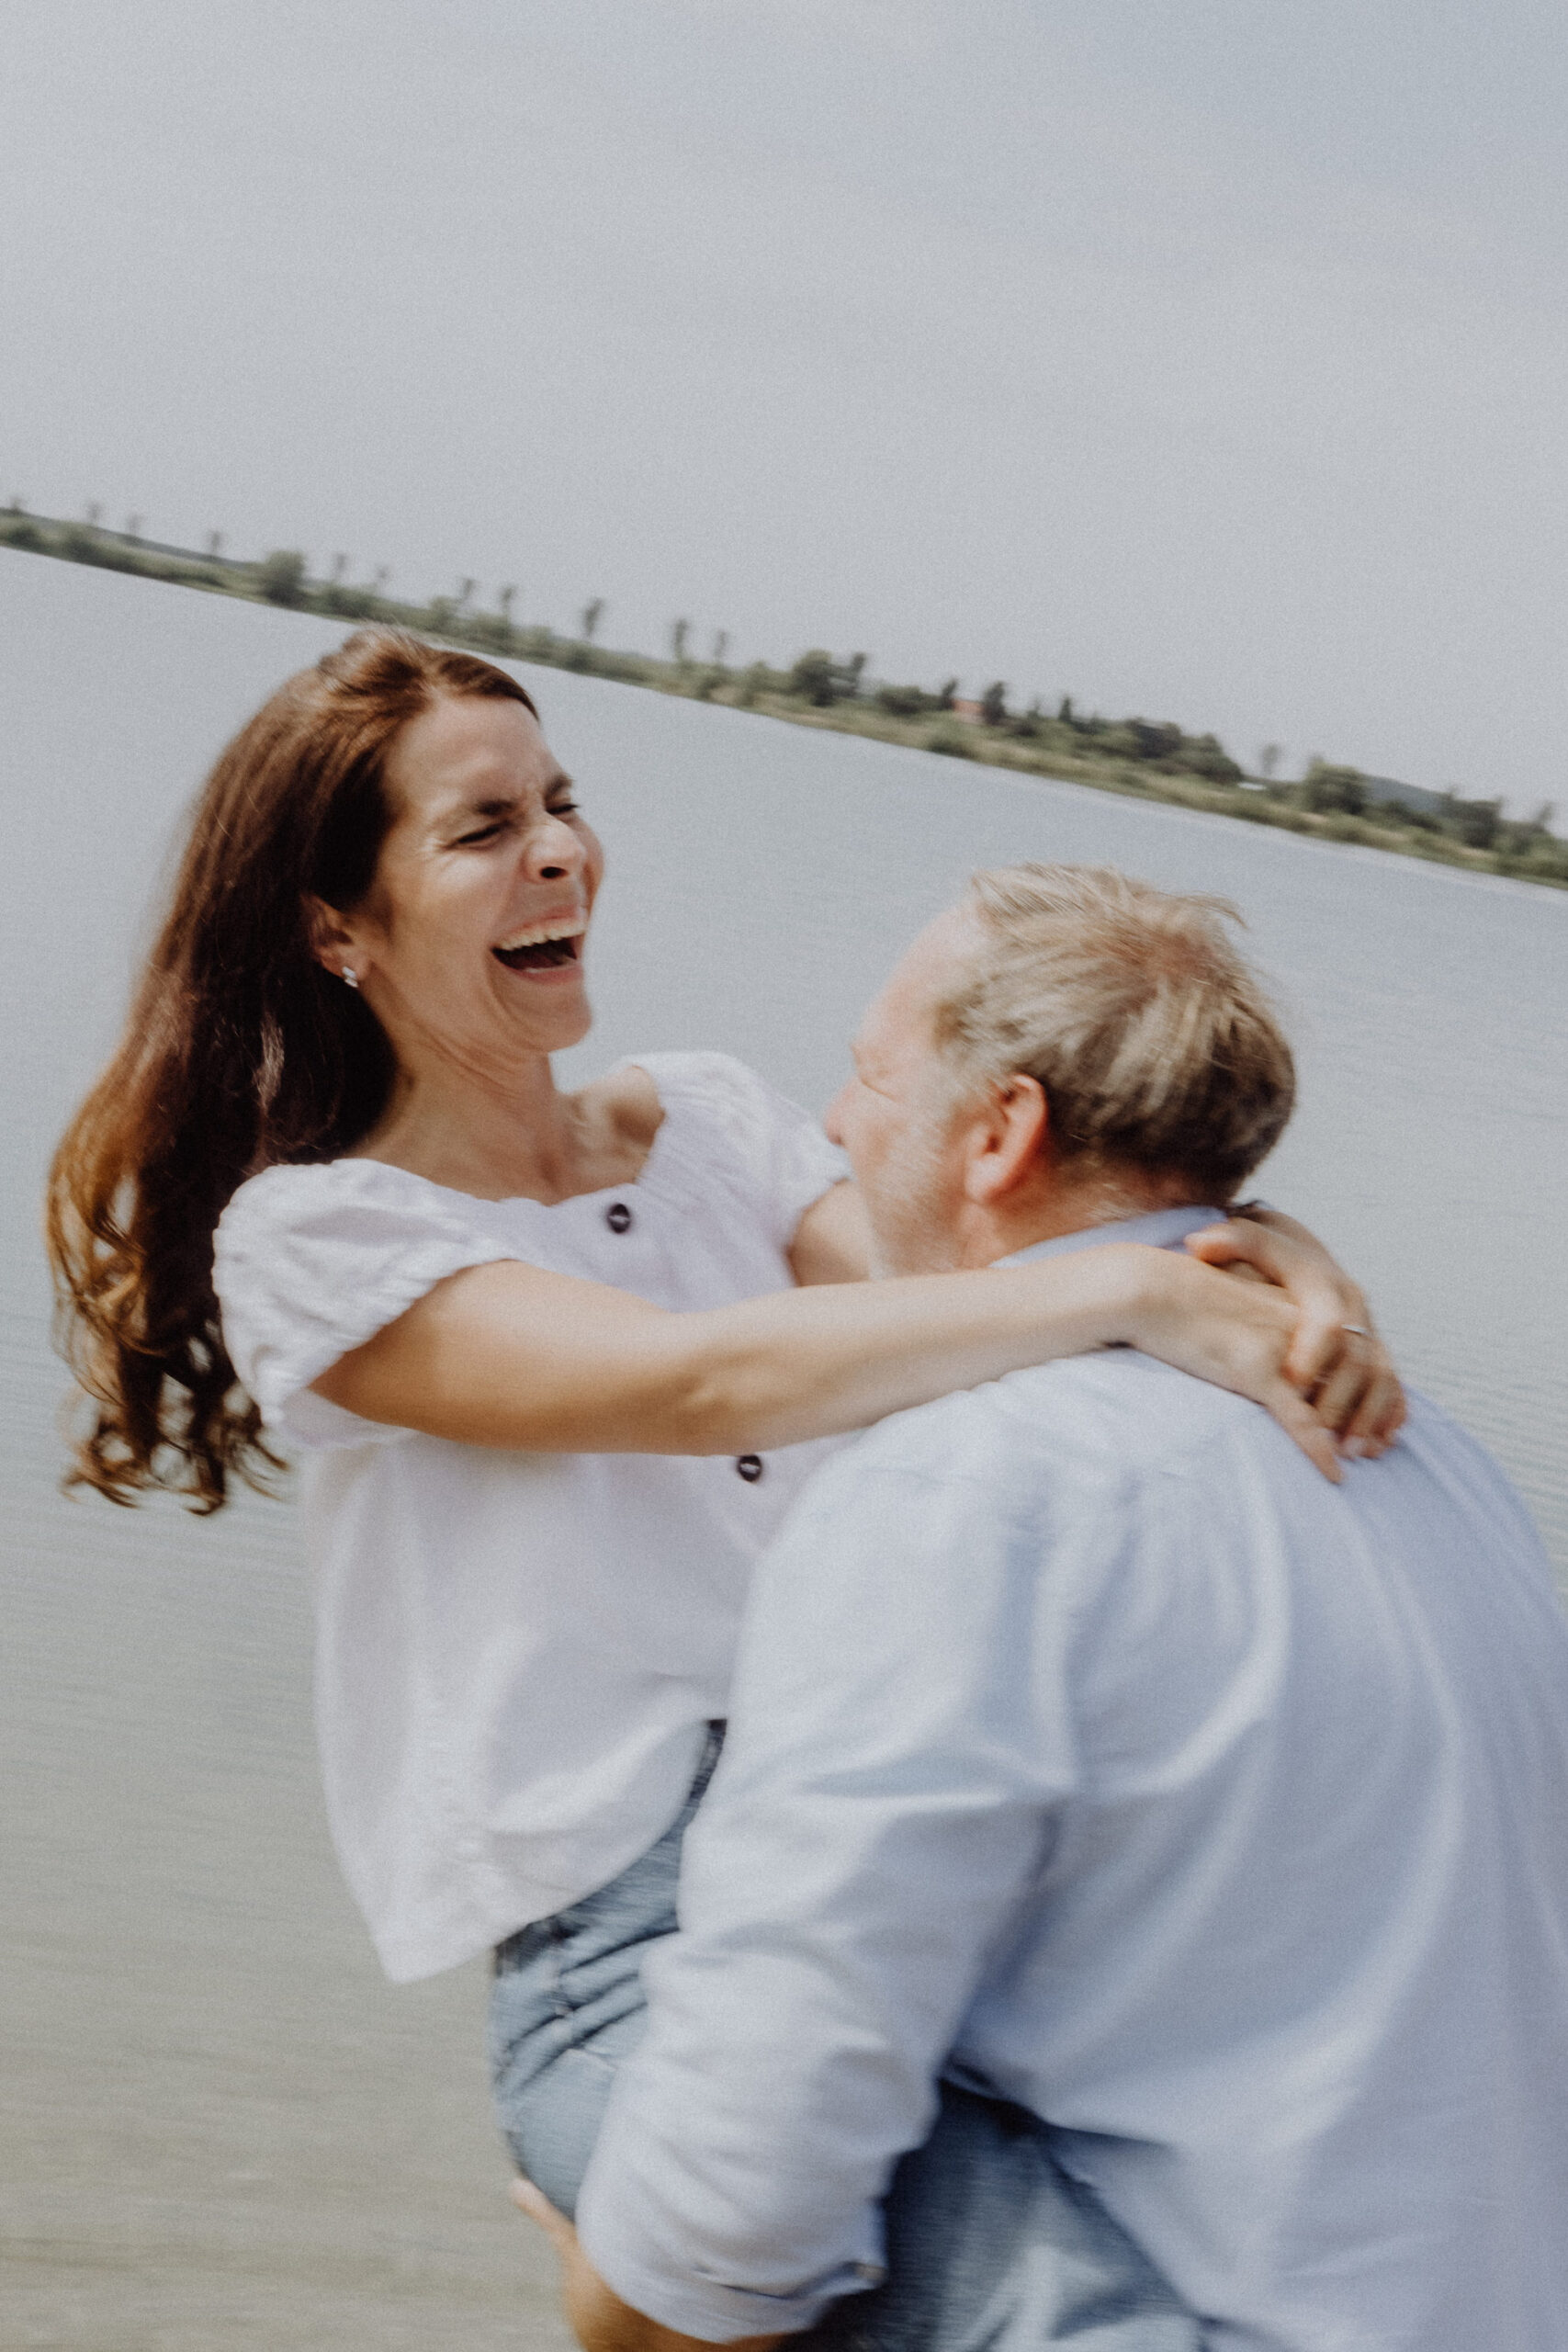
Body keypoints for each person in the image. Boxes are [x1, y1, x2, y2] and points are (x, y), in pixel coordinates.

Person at [47, 633, 1399, 2230]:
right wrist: (1134, 1286)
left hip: (899, 1831)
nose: (560, 850)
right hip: (636, 1954)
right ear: (336, 926)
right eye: (484, 830)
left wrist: (1240, 1245)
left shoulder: (711, 1120)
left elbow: (972, 1300)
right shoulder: (321, 1239)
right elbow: (699, 1384)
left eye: (560, 801)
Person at [551, 865, 1568, 2352]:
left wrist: (628, 2292)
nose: (837, 1125)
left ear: (1001, 1132)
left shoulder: (966, 1491)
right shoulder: (1439, 1464)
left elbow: (770, 2111)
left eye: (867, 1075)